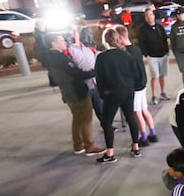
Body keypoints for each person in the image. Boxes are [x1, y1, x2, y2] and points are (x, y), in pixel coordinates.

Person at [45, 34, 106, 157]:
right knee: (86, 118)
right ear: (53, 44)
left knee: (77, 118)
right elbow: (77, 73)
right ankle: (90, 146)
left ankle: (78, 145)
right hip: (76, 91)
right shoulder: (59, 58)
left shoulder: (50, 57)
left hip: (68, 92)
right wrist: (96, 72)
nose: (65, 43)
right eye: (61, 41)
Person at [94, 28, 143, 163]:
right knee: (131, 118)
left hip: (112, 93)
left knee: (107, 122)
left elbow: (100, 78)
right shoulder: (126, 55)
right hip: (128, 91)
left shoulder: (102, 57)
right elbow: (135, 74)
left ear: (105, 41)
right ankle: (136, 146)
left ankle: (110, 153)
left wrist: (103, 94)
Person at [115, 25, 158, 146]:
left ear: (121, 38)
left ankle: (143, 137)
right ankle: (153, 133)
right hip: (142, 83)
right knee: (144, 109)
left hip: (135, 86)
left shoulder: (126, 53)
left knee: (137, 112)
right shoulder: (136, 49)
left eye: (117, 39)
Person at [66, 22, 103, 125]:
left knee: (100, 107)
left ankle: (106, 125)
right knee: (85, 114)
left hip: (95, 82)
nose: (74, 33)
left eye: (75, 31)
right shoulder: (68, 50)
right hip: (83, 85)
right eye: (72, 31)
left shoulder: (87, 47)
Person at [137, 7, 170, 105]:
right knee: (154, 76)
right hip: (152, 56)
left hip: (163, 55)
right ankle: (154, 95)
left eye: (150, 15)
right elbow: (141, 43)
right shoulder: (143, 30)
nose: (149, 17)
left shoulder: (160, 27)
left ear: (154, 16)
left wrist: (166, 51)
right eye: (147, 15)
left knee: (162, 75)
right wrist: (146, 54)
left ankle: (163, 93)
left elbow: (165, 39)